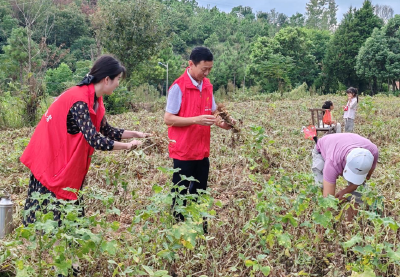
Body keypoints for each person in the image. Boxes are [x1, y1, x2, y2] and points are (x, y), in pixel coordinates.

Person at [20, 55, 150, 226]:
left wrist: (137, 134)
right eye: (117, 79)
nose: (118, 84)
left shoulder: (95, 99)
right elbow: (94, 139)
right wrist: (128, 146)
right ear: (106, 79)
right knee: (46, 218)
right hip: (50, 160)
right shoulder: (79, 101)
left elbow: (107, 130)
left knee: (69, 215)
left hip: (64, 160)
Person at [164, 46, 233, 233]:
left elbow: (212, 112)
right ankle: (178, 231)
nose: (207, 73)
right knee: (180, 193)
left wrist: (224, 123)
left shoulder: (207, 85)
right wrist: (196, 120)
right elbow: (168, 119)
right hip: (183, 151)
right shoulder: (178, 87)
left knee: (200, 193)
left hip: (202, 151)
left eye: (210, 69)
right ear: (191, 64)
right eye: (204, 69)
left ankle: (200, 231)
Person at [311, 133, 378, 220]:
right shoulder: (332, 163)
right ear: (345, 163)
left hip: (344, 143)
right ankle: (323, 221)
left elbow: (366, 177)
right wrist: (328, 212)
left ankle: (350, 223)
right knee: (322, 187)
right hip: (323, 149)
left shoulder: (373, 153)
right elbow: (328, 198)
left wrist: (346, 191)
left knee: (358, 193)